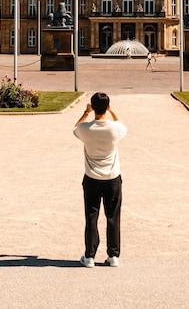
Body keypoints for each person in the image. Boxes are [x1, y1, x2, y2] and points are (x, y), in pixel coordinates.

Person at [74, 92, 127, 268]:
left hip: (91, 177)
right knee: (113, 216)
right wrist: (111, 111)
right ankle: (113, 255)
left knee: (91, 216)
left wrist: (85, 113)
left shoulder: (86, 129)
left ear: (93, 106)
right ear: (107, 106)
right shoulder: (115, 129)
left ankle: (89, 256)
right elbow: (121, 124)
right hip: (112, 177)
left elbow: (76, 128)